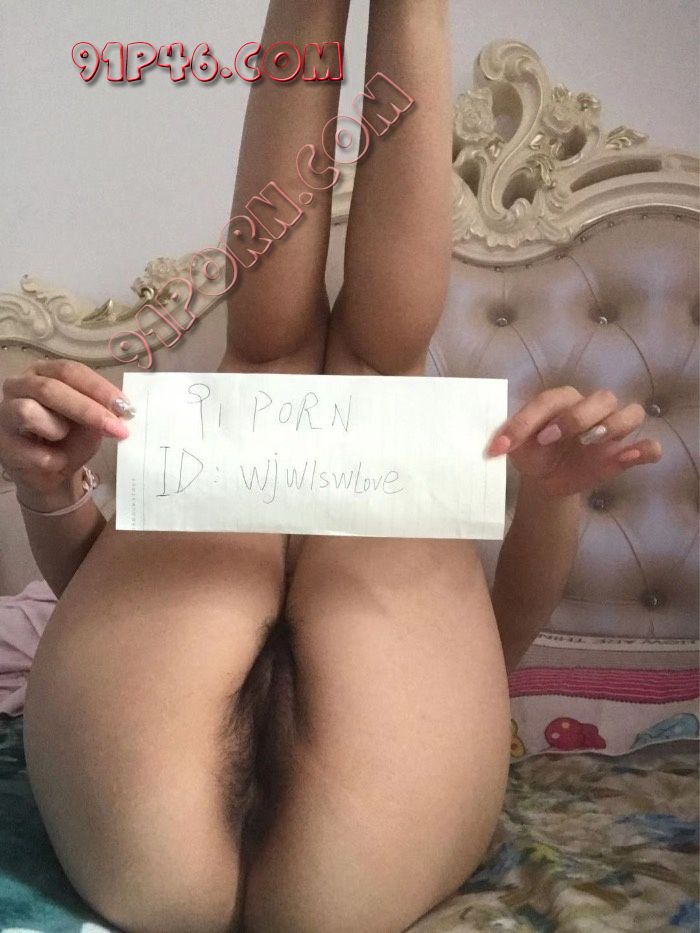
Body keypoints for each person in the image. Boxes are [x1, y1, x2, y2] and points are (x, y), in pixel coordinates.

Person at [0, 2, 662, 931]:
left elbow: (90, 590)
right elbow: (493, 646)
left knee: (273, 359)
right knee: (359, 368)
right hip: (339, 867)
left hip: (147, 855)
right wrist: (554, 504)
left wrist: (47, 489)